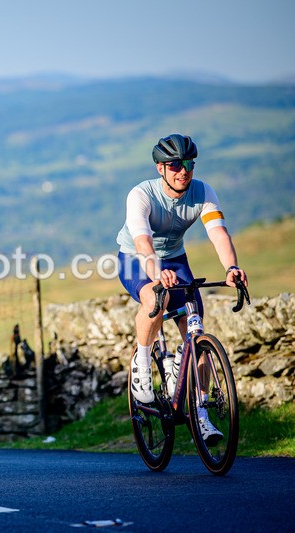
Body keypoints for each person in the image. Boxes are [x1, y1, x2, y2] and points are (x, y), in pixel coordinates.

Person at [116, 134, 248, 445]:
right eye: (175, 164)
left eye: (188, 163)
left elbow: (218, 233)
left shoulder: (203, 191)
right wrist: (156, 274)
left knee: (195, 327)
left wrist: (232, 268)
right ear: (161, 168)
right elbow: (142, 242)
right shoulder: (141, 194)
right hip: (136, 259)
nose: (183, 170)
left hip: (175, 259)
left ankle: (201, 415)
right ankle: (143, 363)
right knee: (154, 300)